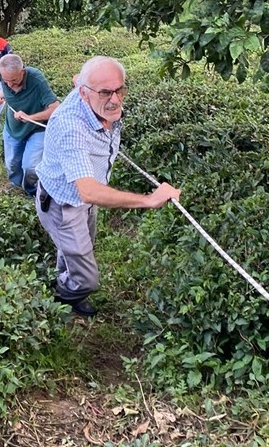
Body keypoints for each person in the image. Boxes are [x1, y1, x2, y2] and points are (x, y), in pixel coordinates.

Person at [35, 56, 181, 317]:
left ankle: (66, 280)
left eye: (119, 90)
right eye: (105, 92)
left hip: (85, 201)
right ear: (84, 93)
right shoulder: (72, 127)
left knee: (79, 250)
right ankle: (65, 297)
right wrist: (149, 199)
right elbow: (88, 190)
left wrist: (93, 84)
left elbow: (79, 81)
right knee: (88, 276)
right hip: (63, 203)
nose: (115, 99)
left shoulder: (88, 92)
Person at [0, 53, 59, 195]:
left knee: (30, 167)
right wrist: (3, 92)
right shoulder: (0, 72)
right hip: (13, 128)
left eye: (14, 80)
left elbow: (55, 108)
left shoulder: (36, 79)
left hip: (36, 128)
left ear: (23, 72)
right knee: (12, 164)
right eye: (6, 81)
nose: (9, 84)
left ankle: (31, 190)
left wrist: (30, 117)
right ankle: (16, 185)